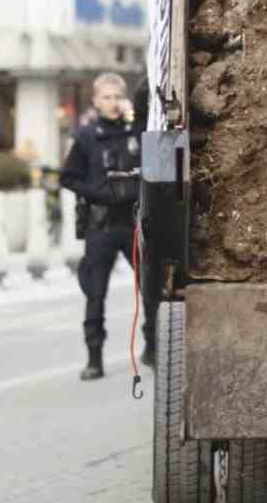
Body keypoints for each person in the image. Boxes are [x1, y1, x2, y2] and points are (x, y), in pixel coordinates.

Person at [61, 72, 155, 380]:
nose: (112, 103)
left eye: (117, 97)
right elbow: (68, 177)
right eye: (106, 97)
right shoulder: (87, 136)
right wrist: (96, 192)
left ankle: (153, 344)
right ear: (95, 101)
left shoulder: (137, 131)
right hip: (100, 226)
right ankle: (94, 358)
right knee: (95, 294)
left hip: (131, 223)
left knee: (150, 288)